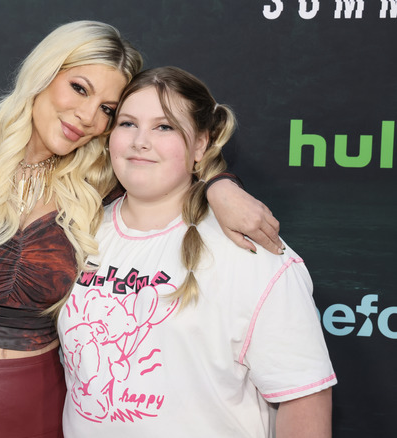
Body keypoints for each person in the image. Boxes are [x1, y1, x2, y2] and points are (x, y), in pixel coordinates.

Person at [0, 22, 283, 438]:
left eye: (107, 109)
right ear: (44, 73)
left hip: (46, 400)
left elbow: (174, 167)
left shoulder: (99, 182)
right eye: (80, 88)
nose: (87, 117)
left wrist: (220, 185)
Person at [58, 66, 336, 437]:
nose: (141, 141)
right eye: (127, 124)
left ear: (201, 144)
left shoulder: (251, 249)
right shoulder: (76, 231)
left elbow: (305, 399)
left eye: (165, 126)